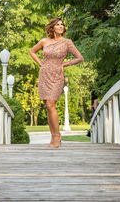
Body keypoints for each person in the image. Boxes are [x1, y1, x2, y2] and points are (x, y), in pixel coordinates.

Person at [30, 18, 84, 148]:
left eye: (62, 25)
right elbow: (32, 51)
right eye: (58, 24)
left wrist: (65, 64)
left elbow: (80, 58)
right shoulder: (44, 41)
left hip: (57, 75)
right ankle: (54, 135)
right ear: (52, 28)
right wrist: (41, 64)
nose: (61, 26)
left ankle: (56, 137)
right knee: (48, 107)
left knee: (50, 104)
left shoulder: (67, 43)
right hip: (44, 74)